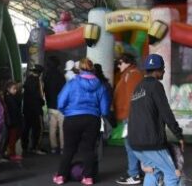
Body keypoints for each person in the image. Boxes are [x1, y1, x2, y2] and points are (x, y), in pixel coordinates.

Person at [128, 54, 184, 186]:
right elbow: (166, 113)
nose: (164, 71)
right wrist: (178, 134)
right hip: (151, 142)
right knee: (172, 175)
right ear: (157, 70)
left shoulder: (138, 87)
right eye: (163, 69)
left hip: (135, 142)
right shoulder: (156, 86)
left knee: (153, 172)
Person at [53, 58, 110, 186]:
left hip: (72, 118)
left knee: (69, 148)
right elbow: (105, 109)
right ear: (92, 69)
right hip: (92, 119)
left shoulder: (72, 83)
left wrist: (67, 112)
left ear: (79, 69)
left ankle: (61, 176)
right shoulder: (100, 85)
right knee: (88, 149)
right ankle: (88, 178)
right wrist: (98, 113)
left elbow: (61, 101)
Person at [114, 54, 145, 185]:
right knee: (134, 145)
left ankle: (135, 174)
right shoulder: (131, 74)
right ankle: (140, 172)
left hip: (131, 116)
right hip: (131, 116)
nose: (118, 65)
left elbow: (134, 98)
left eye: (120, 63)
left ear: (127, 62)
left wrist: (129, 115)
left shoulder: (132, 74)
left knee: (131, 146)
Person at [43, 57, 66, 155]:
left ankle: (53, 147)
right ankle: (62, 148)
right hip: (60, 106)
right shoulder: (60, 76)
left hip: (50, 105)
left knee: (52, 128)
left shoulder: (46, 76)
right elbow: (64, 92)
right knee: (62, 128)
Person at [22, 64, 45, 155]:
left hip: (27, 108)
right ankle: (35, 147)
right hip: (36, 109)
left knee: (26, 128)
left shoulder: (27, 80)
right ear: (40, 73)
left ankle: (25, 147)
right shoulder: (37, 82)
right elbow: (38, 96)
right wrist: (42, 102)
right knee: (38, 129)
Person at [4, 81, 23, 161]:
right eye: (14, 89)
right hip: (12, 121)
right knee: (13, 137)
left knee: (14, 136)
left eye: (16, 89)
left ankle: (10, 152)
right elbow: (14, 109)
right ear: (8, 89)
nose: (15, 90)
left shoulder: (11, 97)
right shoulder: (9, 98)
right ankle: (12, 154)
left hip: (14, 120)